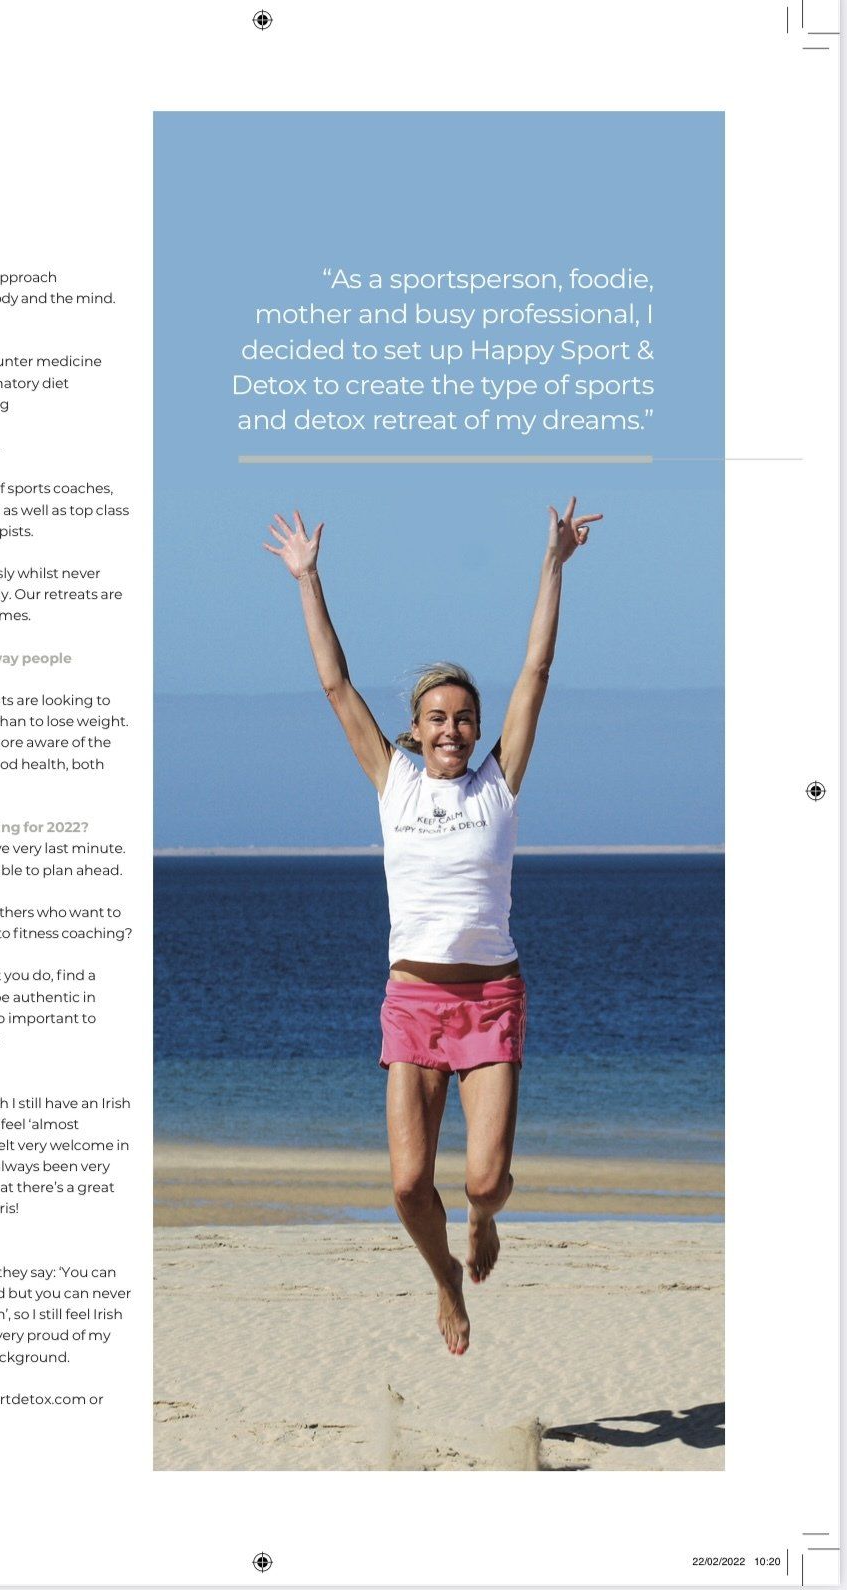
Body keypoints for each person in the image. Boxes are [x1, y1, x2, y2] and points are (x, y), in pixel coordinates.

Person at [265, 499, 601, 1356]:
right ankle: (444, 1277)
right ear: (413, 730)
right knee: (409, 1184)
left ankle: (483, 1222)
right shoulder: (393, 783)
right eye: (436, 718)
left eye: (463, 718)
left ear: (477, 730)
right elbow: (335, 685)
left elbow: (535, 672)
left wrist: (552, 563)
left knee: (483, 1179)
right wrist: (309, 580)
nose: (450, 729)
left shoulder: (499, 784)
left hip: (491, 996)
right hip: (413, 1001)